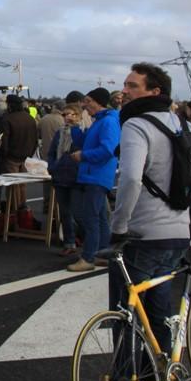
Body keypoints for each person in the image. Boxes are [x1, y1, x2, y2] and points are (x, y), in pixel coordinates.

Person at [110, 62, 191, 353]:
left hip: (141, 235)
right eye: (124, 85)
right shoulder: (184, 125)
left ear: (155, 90)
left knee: (126, 318)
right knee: (158, 314)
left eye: (132, 85)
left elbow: (131, 178)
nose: (124, 91)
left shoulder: (136, 125)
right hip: (177, 233)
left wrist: (118, 227)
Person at [66, 88, 120, 272]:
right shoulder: (100, 121)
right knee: (99, 217)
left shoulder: (108, 122)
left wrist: (84, 156)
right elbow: (85, 142)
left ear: (99, 102)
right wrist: (74, 127)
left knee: (90, 217)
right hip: (94, 174)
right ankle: (102, 253)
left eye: (88, 101)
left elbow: (108, 150)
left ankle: (88, 257)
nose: (85, 105)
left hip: (96, 174)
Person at [47, 104, 85, 257]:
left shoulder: (82, 132)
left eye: (72, 114)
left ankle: (87, 240)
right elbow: (51, 152)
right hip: (60, 175)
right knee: (64, 212)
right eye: (65, 114)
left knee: (79, 212)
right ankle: (69, 242)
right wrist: (52, 166)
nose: (68, 117)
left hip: (76, 175)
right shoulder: (59, 133)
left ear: (79, 116)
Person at [0, 94, 38, 213]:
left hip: (11, 158)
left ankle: (13, 211)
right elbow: (35, 139)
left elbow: (5, 141)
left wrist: (4, 155)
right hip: (26, 157)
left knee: (12, 186)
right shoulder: (30, 118)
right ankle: (23, 209)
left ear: (10, 105)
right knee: (22, 185)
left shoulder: (8, 119)